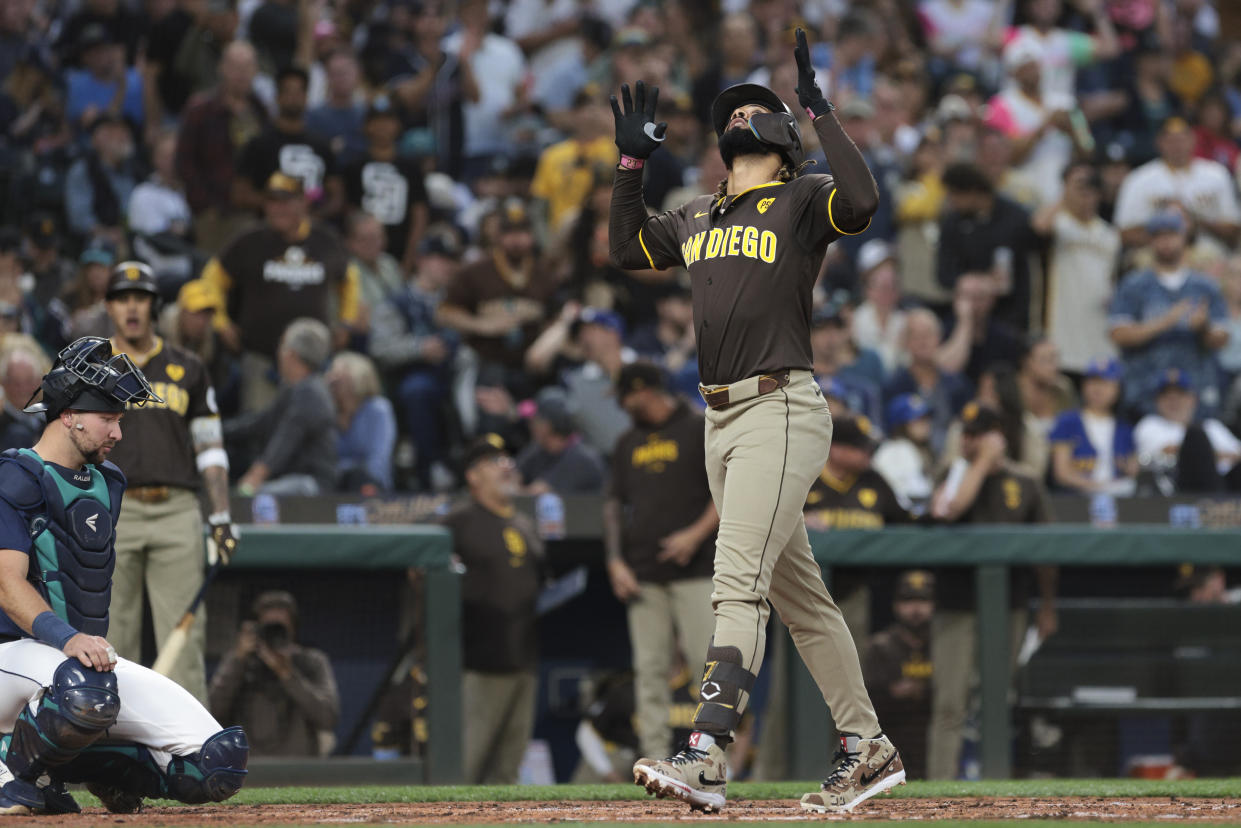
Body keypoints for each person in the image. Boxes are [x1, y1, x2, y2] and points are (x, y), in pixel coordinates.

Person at [607, 28, 904, 814]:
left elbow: (864, 202)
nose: (740, 116)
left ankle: (706, 752)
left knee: (733, 583)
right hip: (721, 420)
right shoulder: (697, 213)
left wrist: (819, 110)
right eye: (732, 111)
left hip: (778, 405)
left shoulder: (802, 197)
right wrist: (630, 168)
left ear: (780, 137)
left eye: (755, 109)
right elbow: (624, 247)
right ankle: (866, 747)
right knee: (801, 599)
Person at [0, 336, 247, 815]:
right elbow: (8, 586)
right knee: (87, 693)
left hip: (78, 672)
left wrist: (75, 648)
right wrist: (68, 638)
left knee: (217, 763)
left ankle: (83, 768)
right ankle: (13, 775)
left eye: (120, 420)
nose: (118, 433)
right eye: (108, 419)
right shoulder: (14, 475)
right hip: (10, 656)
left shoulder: (108, 480)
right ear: (68, 414)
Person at [102, 262, 237, 703]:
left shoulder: (188, 367)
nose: (132, 307)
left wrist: (219, 516)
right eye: (122, 298)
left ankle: (189, 759)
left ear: (155, 307)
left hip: (177, 509)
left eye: (140, 298)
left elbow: (211, 447)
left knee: (184, 644)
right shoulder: (91, 366)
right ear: (110, 307)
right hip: (108, 510)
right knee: (108, 641)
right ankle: (110, 756)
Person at [928, 402, 1057, 780]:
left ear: (998, 436)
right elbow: (946, 510)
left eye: (979, 434)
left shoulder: (1026, 480)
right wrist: (981, 463)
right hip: (956, 604)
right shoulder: (955, 472)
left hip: (1009, 606)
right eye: (966, 434)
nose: (970, 441)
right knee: (950, 702)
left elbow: (1048, 552)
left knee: (999, 699)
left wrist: (1048, 605)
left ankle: (995, 787)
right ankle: (940, 787)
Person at [605, 362, 718, 763]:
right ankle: (653, 759)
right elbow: (614, 506)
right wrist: (614, 561)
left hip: (697, 569)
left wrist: (695, 534)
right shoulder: (626, 442)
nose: (622, 404)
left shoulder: (697, 427)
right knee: (650, 669)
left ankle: (710, 757)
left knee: (710, 668)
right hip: (643, 574)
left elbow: (727, 489)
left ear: (645, 390)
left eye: (625, 395)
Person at [201, 171, 361, 413]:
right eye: (272, 202)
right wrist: (221, 322)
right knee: (258, 421)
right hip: (260, 356)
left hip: (313, 363)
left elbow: (349, 280)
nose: (277, 209)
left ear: (303, 203)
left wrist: (346, 322)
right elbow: (211, 280)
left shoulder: (325, 241)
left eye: (285, 202)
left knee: (310, 423)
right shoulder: (249, 241)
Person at [441, 434, 543, 784]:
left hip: (523, 660)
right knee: (465, 769)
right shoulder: (458, 522)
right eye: (494, 463)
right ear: (473, 475)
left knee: (507, 774)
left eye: (507, 462)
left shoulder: (525, 526)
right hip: (478, 663)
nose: (506, 468)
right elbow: (422, 577)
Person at [1108, 209, 1229, 417]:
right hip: (1144, 390)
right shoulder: (1133, 285)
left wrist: (1204, 327)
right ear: (1150, 241)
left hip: (1196, 389)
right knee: (1153, 449)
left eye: (1171, 235)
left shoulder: (1205, 287)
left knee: (1197, 446)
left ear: (1184, 237)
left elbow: (1222, 337)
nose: (1166, 242)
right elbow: (1118, 333)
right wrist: (1165, 321)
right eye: (1158, 236)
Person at [208, 591, 339, 756]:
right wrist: (238, 659)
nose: (274, 635)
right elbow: (211, 713)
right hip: (248, 768)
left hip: (299, 770)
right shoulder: (240, 662)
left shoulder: (311, 662)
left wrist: (287, 674)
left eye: (280, 629)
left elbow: (328, 718)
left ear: (293, 630)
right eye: (269, 629)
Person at [1030, 160, 1121, 379]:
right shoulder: (1058, 223)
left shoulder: (1109, 234)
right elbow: (1038, 226)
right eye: (1079, 186)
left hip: (1098, 333)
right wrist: (1066, 193)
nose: (1086, 194)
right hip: (1061, 333)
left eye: (1091, 187)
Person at [226, 318, 337, 496]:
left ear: (291, 354)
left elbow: (287, 438)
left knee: (252, 496)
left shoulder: (310, 391)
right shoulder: (293, 388)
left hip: (311, 483)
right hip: (289, 477)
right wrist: (217, 430)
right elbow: (260, 422)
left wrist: (255, 477)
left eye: (281, 345)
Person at [342, 95, 429, 273]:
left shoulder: (411, 168)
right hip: (362, 258)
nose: (382, 127)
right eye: (376, 121)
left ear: (398, 126)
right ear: (366, 126)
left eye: (388, 120)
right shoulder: (354, 166)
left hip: (401, 251)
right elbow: (349, 214)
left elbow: (419, 216)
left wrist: (409, 260)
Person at [862, 570, 935, 782]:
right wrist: (891, 692)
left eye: (923, 601)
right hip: (889, 740)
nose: (915, 609)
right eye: (908, 601)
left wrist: (922, 690)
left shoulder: (944, 647)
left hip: (929, 740)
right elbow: (867, 697)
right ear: (896, 605)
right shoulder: (879, 645)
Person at [1135, 369, 1241, 493]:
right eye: (1166, 397)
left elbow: (1238, 454)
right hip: (1178, 488)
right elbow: (1168, 451)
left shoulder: (1212, 426)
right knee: (1195, 437)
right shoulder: (1150, 424)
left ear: (1193, 399)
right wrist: (1220, 455)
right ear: (1157, 401)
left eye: (1180, 395)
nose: (1173, 401)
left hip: (1223, 485)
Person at [1049, 357, 1137, 495]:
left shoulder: (1124, 428)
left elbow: (1132, 470)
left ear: (1117, 389)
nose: (1097, 388)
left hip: (1120, 500)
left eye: (1104, 383)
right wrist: (1100, 487)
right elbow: (1061, 473)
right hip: (1075, 500)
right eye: (1092, 382)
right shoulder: (1067, 421)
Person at [326, 351, 396, 494]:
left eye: (338, 375)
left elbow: (379, 461)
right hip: (334, 486)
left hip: (371, 487)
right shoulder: (328, 412)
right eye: (330, 374)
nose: (331, 379)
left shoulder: (378, 409)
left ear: (356, 376)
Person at [516, 387, 605, 495]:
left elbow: (537, 493)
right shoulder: (537, 450)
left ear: (552, 423)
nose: (532, 425)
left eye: (537, 420)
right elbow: (513, 476)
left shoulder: (582, 458)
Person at [873, 394, 935, 511]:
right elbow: (912, 496)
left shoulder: (919, 450)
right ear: (901, 425)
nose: (925, 424)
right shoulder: (895, 451)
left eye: (926, 419)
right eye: (918, 420)